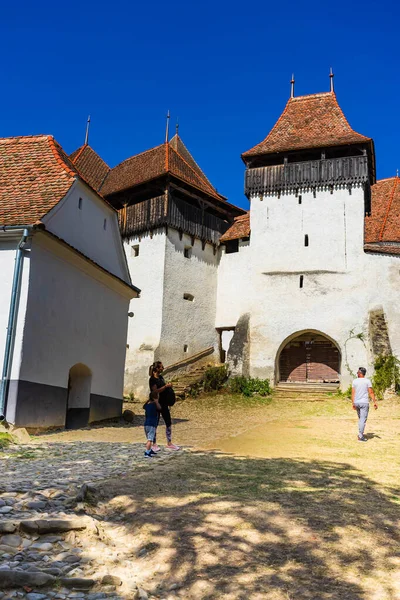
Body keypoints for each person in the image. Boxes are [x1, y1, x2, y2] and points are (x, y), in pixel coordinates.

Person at [149, 361, 180, 451]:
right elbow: (155, 391)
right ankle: (154, 444)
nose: (163, 368)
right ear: (157, 369)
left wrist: (168, 386)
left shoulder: (161, 377)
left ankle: (169, 443)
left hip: (164, 403)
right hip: (156, 403)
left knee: (168, 422)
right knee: (155, 423)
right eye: (161, 367)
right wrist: (165, 387)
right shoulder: (152, 380)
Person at [352, 367, 378, 442]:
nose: (357, 374)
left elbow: (353, 393)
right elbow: (371, 392)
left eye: (357, 372)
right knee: (363, 419)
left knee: (361, 419)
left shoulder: (355, 381)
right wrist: (374, 402)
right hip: (364, 403)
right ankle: (360, 436)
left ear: (361, 373)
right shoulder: (367, 381)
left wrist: (353, 403)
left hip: (357, 402)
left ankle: (360, 433)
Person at [143, 390, 161, 458]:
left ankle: (150, 450)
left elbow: (143, 406)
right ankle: (147, 452)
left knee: (150, 438)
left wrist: (149, 400)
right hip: (152, 424)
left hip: (146, 424)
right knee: (150, 440)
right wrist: (156, 402)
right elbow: (159, 408)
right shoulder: (154, 404)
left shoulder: (147, 405)